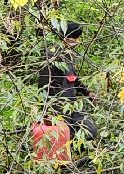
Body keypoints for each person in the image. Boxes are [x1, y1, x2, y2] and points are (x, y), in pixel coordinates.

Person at [32, 20, 97, 163]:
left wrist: (87, 92)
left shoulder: (68, 55)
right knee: (62, 136)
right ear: (66, 38)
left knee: (90, 130)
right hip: (57, 108)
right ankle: (61, 164)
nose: (78, 42)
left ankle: (74, 159)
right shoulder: (53, 55)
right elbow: (44, 84)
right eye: (75, 38)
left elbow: (72, 77)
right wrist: (47, 109)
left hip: (71, 105)